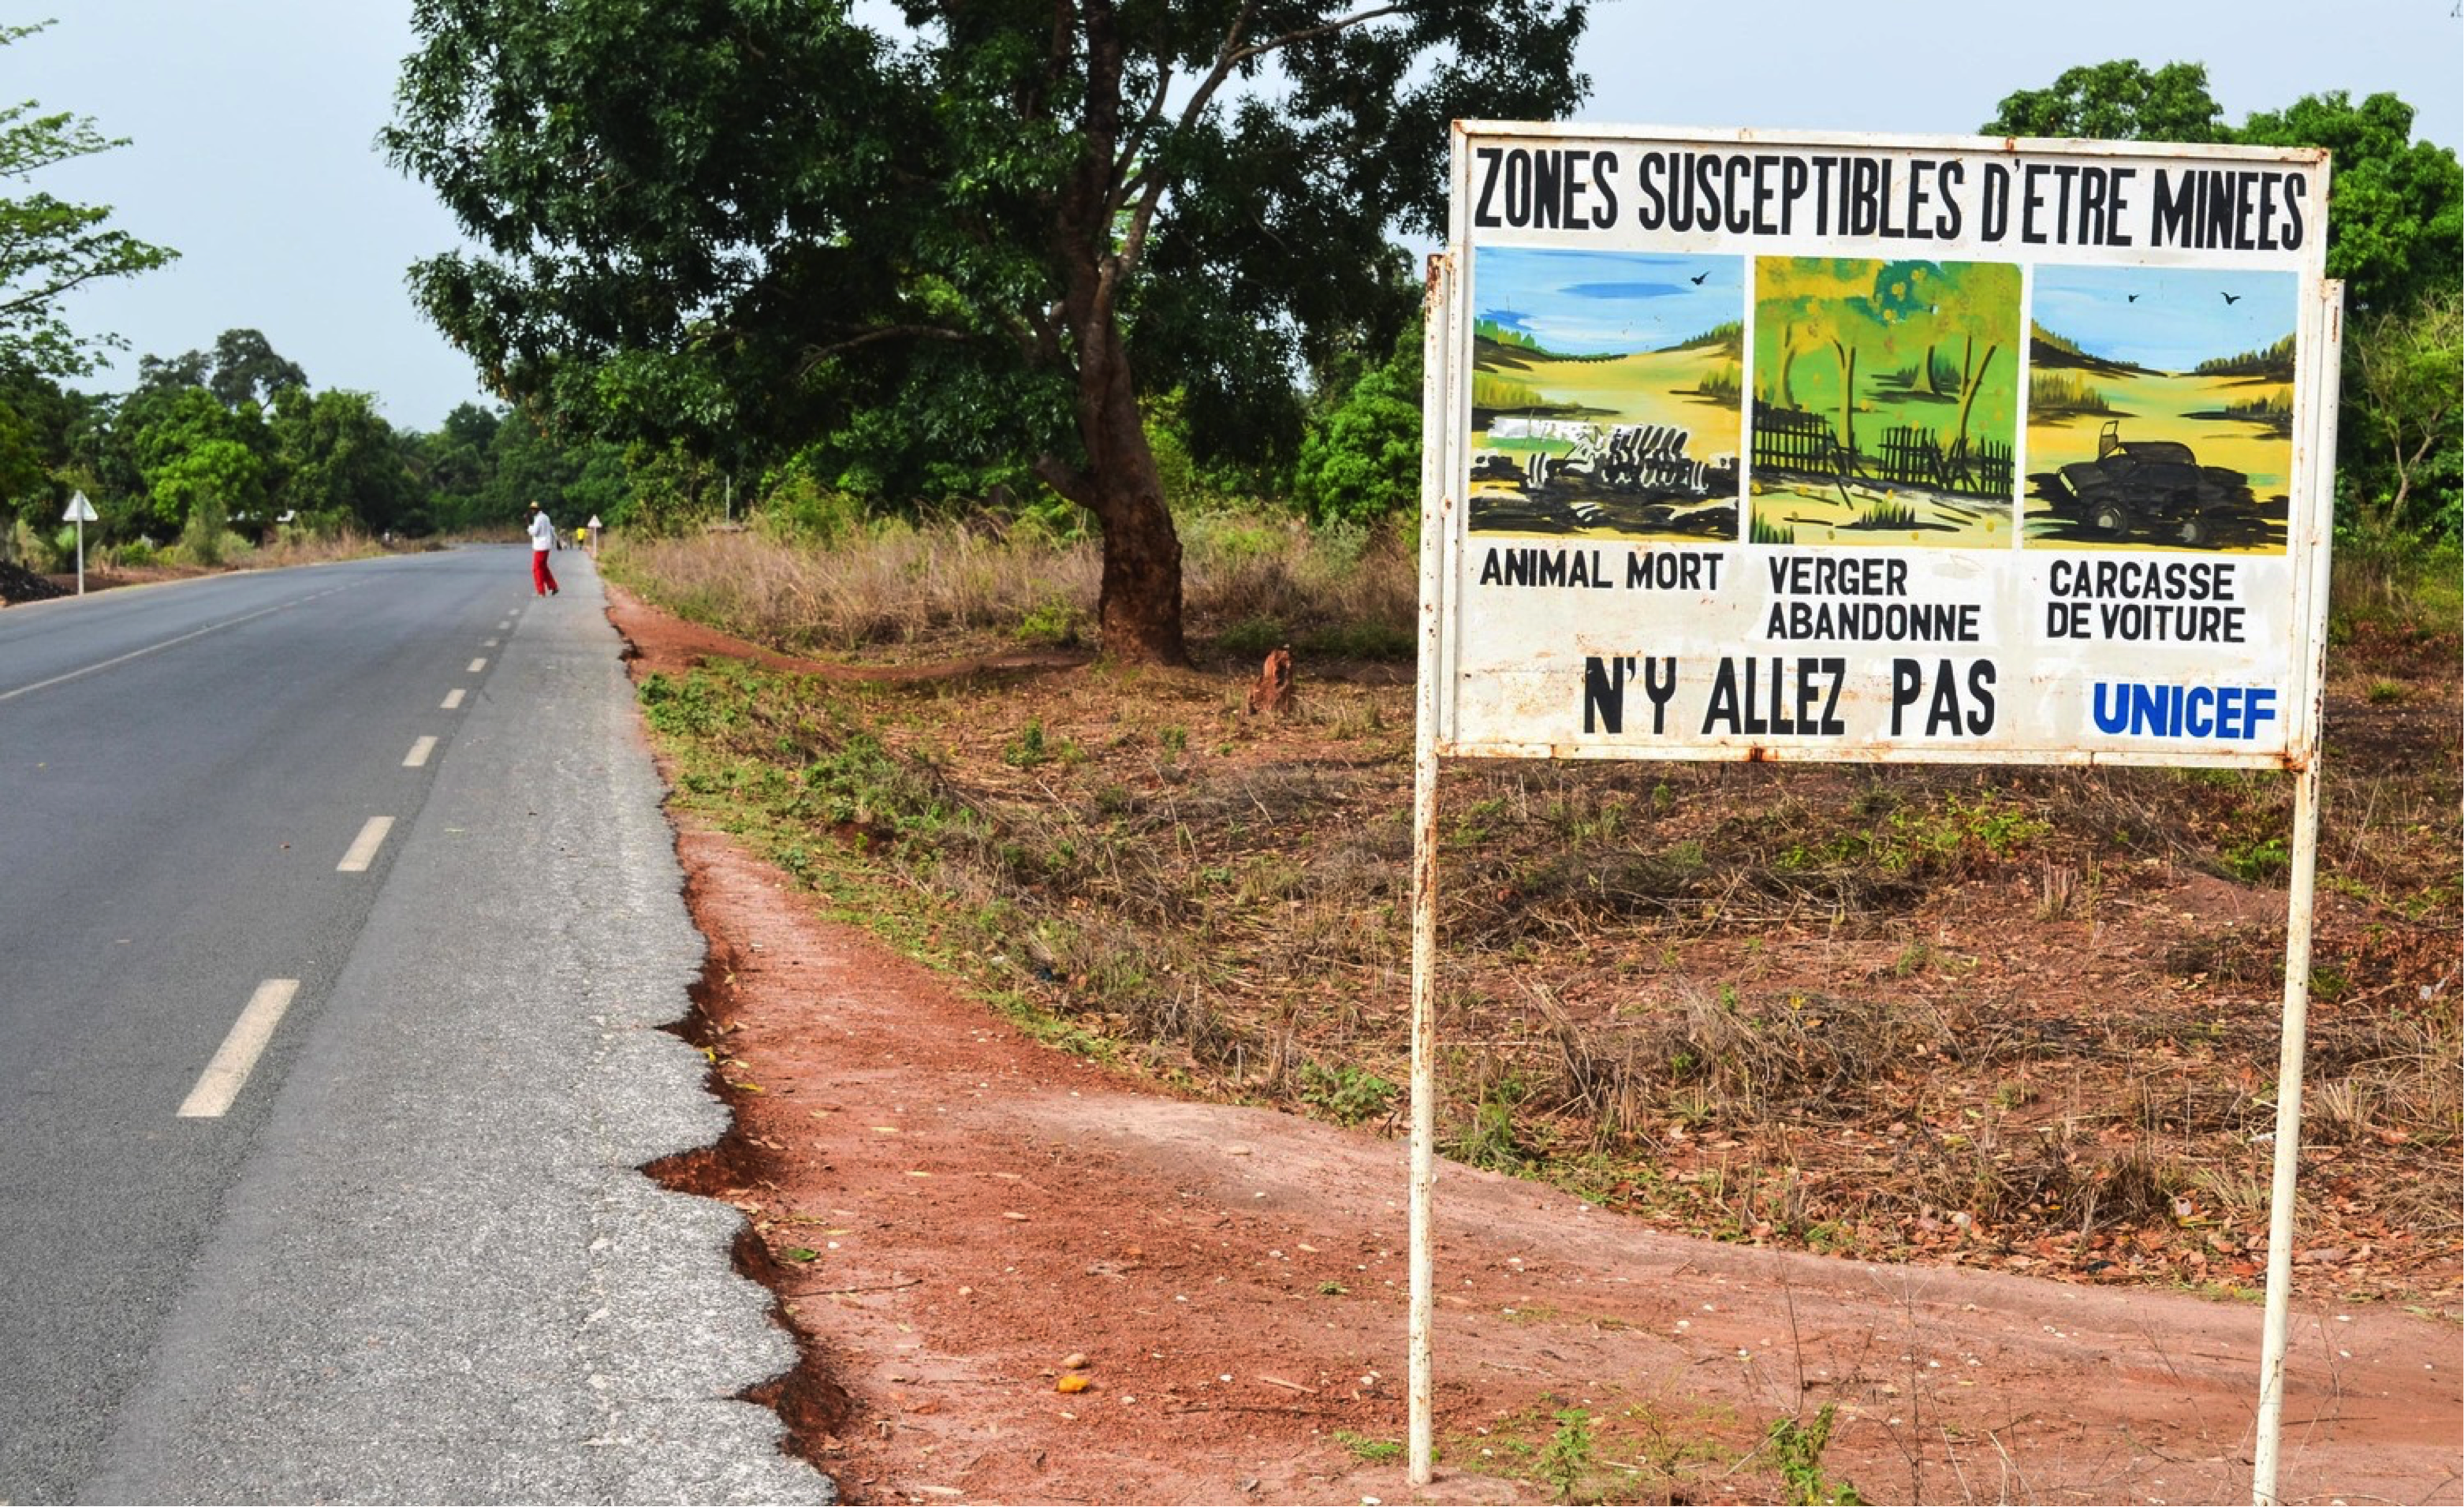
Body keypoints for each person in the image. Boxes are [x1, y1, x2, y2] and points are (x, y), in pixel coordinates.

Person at [527, 501, 561, 596]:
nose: (533, 511)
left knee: (536, 569)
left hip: (540, 547)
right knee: (543, 567)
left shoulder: (539, 519)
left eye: (534, 509)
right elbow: (551, 530)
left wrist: (529, 524)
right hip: (546, 546)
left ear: (539, 509)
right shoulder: (546, 517)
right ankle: (554, 586)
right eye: (532, 509)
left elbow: (535, 533)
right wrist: (557, 541)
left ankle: (541, 591)